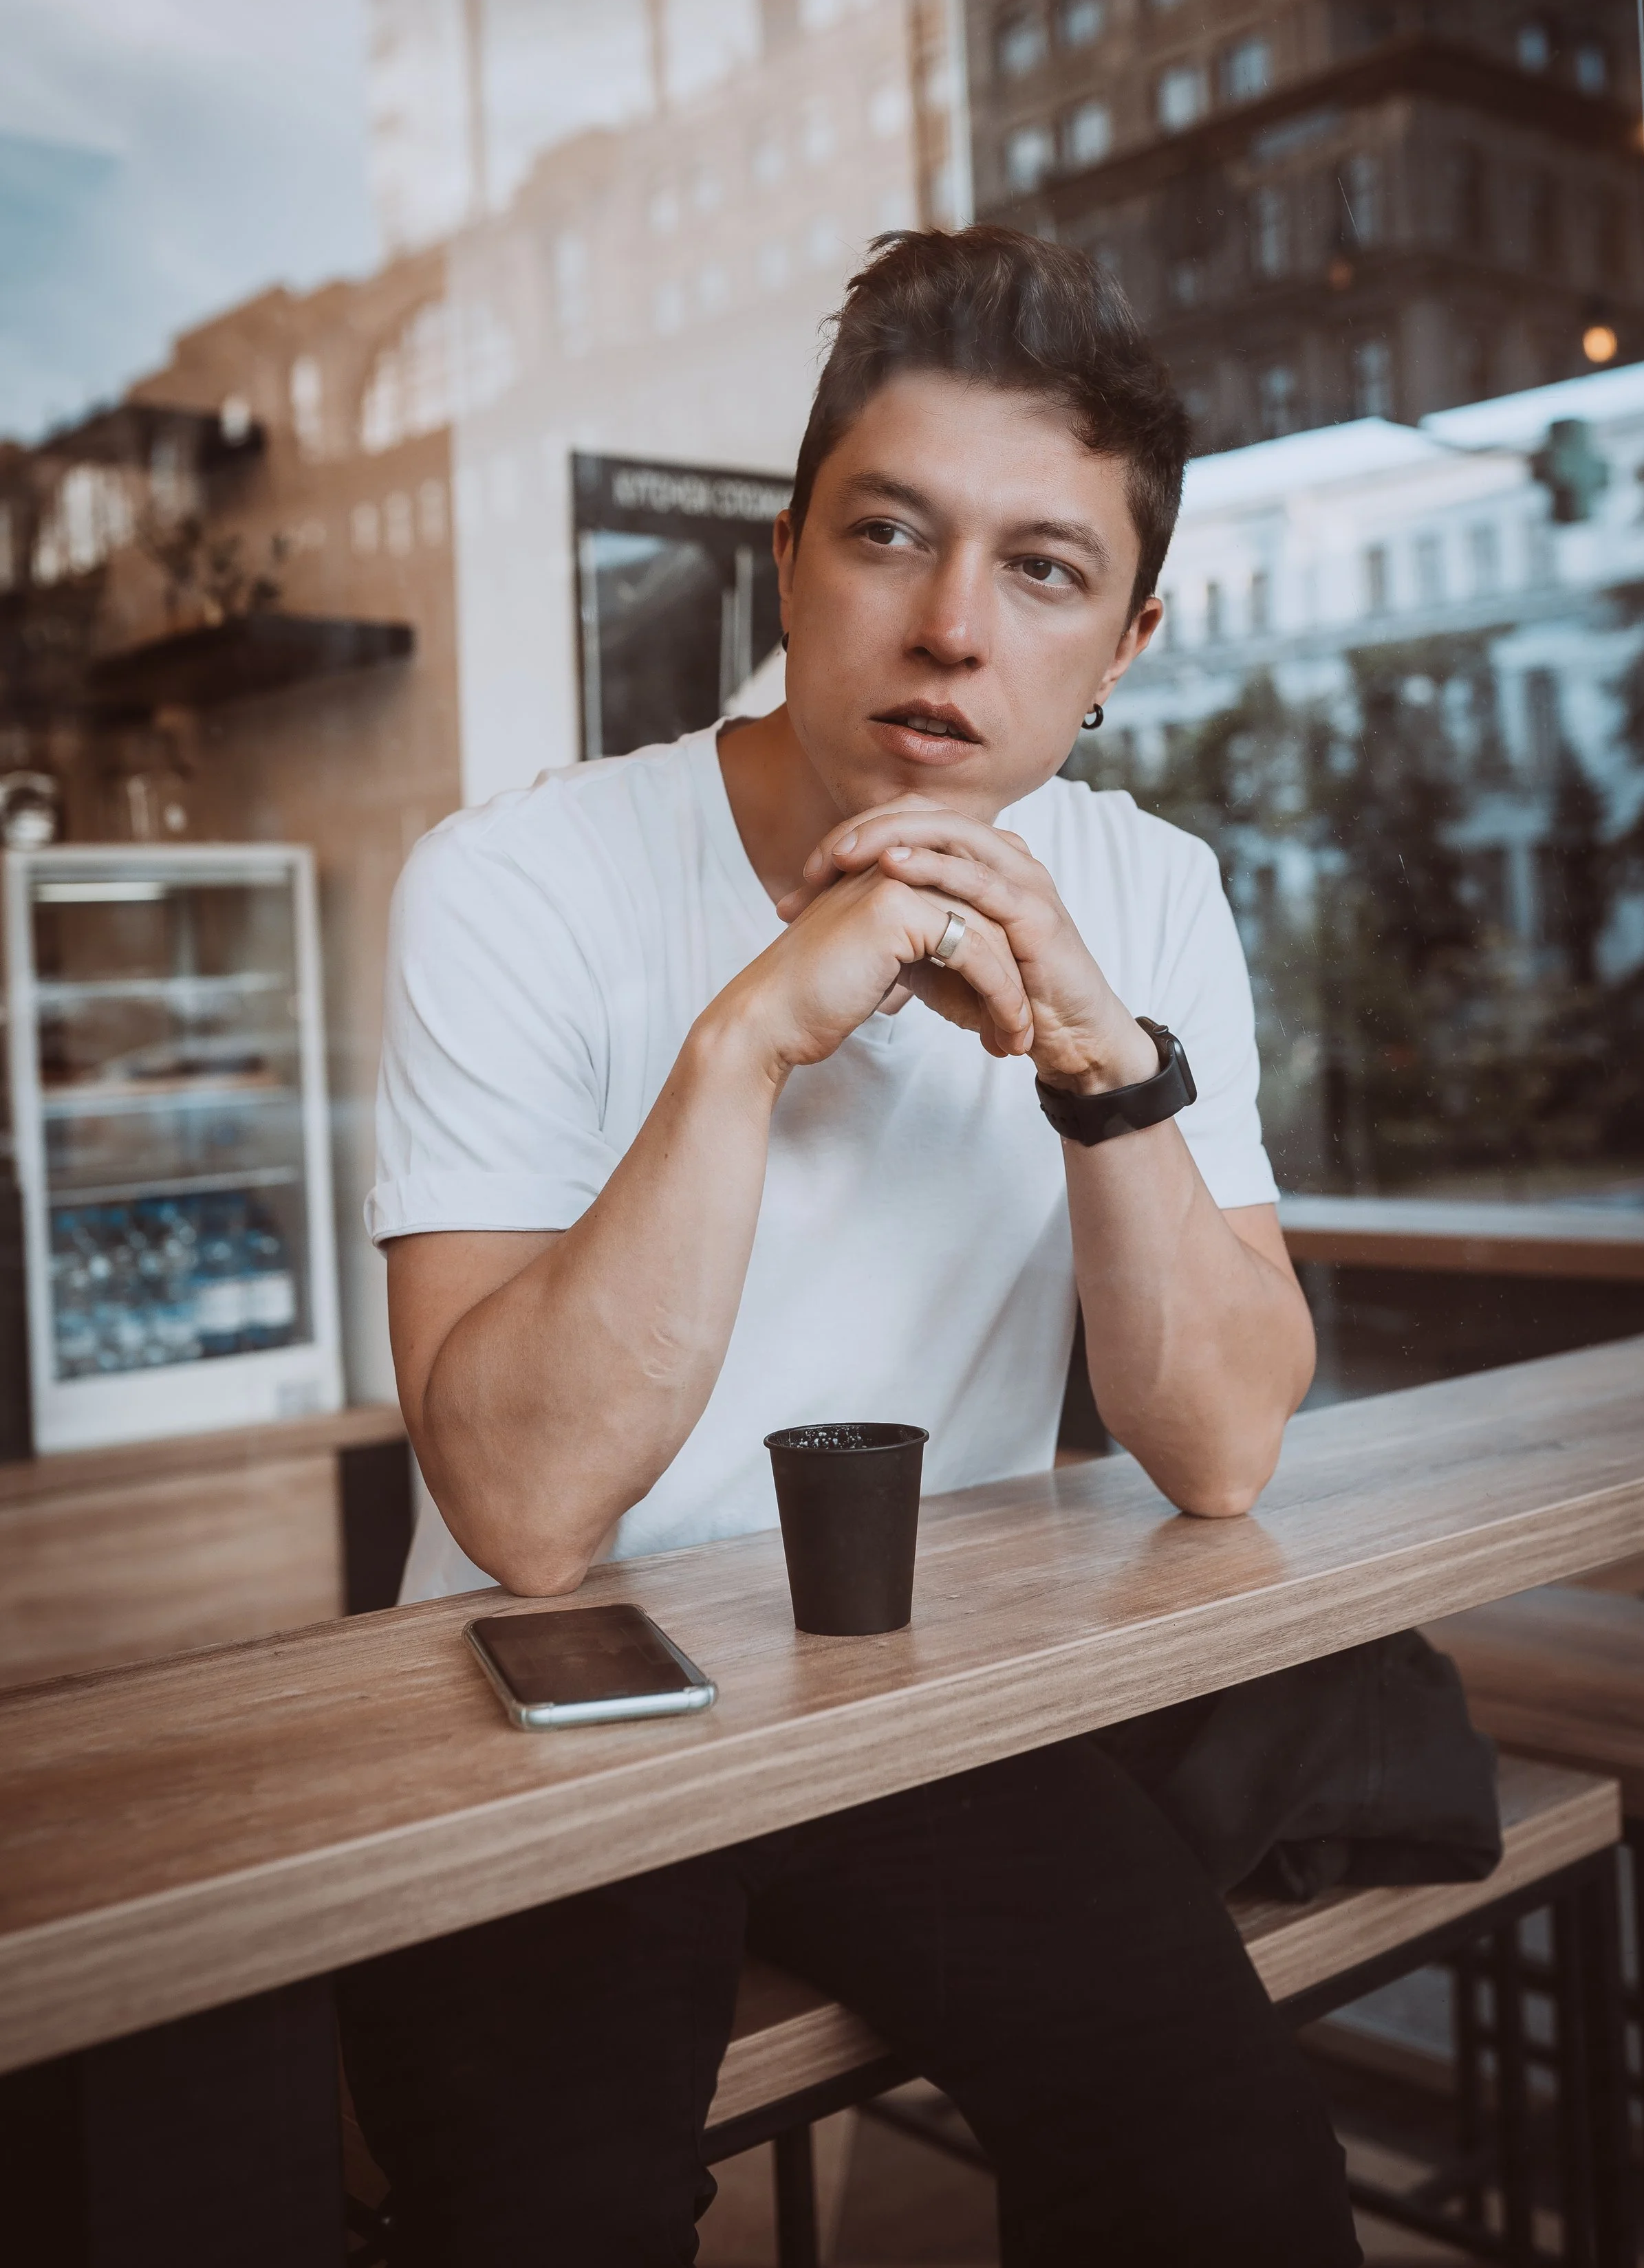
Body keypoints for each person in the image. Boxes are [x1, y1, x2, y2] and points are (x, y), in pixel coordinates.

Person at [340, 226, 1361, 2267]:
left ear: (1128, 641)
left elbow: (1220, 1446)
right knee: (542, 2222)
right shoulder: (514, 881)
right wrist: (748, 1040)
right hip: (548, 1703)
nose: (952, 629)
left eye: (1044, 570)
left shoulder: (1151, 892)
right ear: (787, 562)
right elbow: (524, 1515)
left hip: (917, 1696)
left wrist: (1101, 1060)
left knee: (1227, 2176)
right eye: (890, 535)